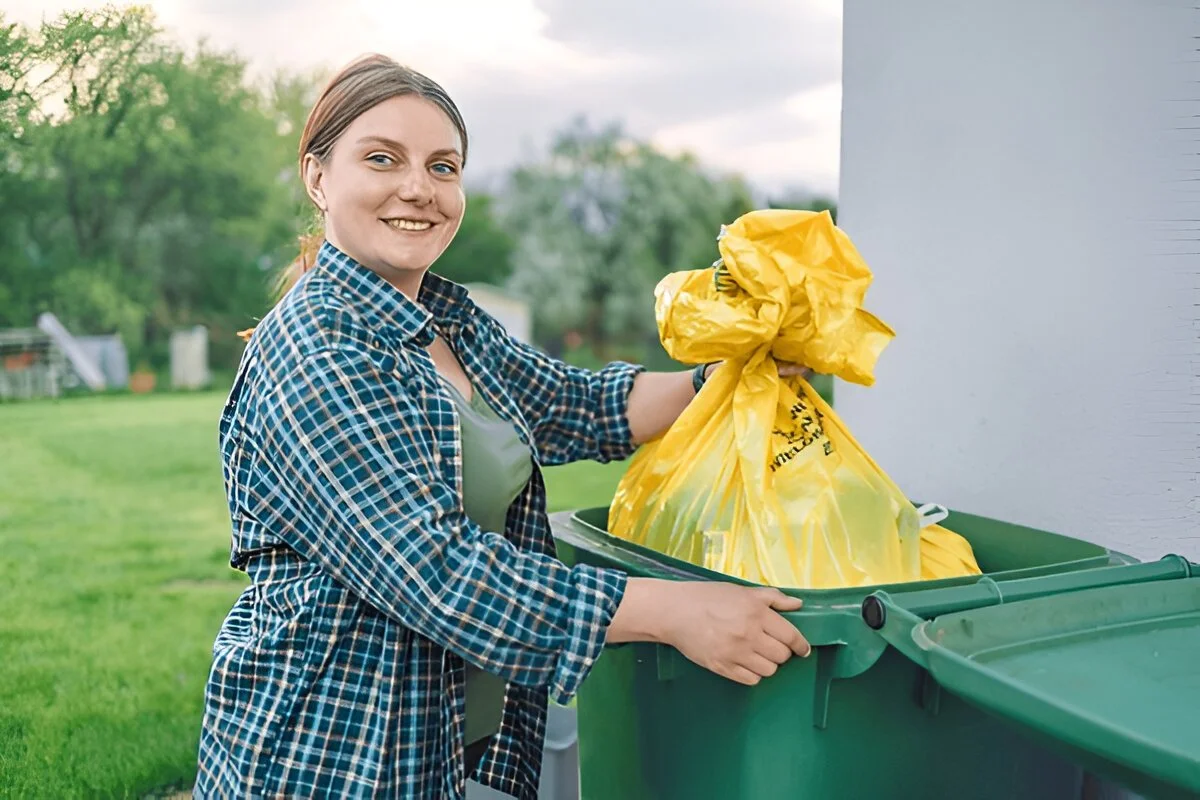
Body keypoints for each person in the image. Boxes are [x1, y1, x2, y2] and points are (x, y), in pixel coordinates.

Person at [195, 53, 811, 800]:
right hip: (329, 755)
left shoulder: (447, 324)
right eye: (382, 159)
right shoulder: (317, 350)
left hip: (444, 743)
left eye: (443, 166)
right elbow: (436, 572)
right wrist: (673, 611)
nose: (418, 189)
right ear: (318, 177)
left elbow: (578, 407)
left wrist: (725, 378)